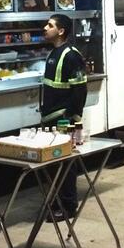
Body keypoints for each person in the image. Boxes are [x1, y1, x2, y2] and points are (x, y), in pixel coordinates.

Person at [41, 14, 87, 221]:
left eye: (50, 25)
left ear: (61, 31)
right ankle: (58, 201)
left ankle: (68, 206)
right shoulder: (54, 53)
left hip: (64, 120)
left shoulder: (70, 55)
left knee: (65, 164)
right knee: (54, 163)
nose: (45, 28)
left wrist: (73, 121)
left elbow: (80, 90)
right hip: (51, 118)